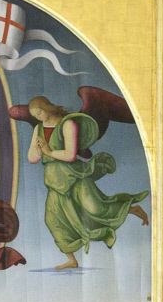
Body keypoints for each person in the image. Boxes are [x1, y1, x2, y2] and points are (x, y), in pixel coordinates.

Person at [23, 93, 148, 269]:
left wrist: (49, 152)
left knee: (96, 208)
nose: (39, 117)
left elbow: (70, 155)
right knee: (53, 219)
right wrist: (38, 150)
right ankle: (72, 259)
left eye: (39, 113)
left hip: (74, 176)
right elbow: (32, 158)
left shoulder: (67, 124)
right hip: (54, 180)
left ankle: (131, 208)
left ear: (47, 108)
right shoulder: (38, 129)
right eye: (35, 116)